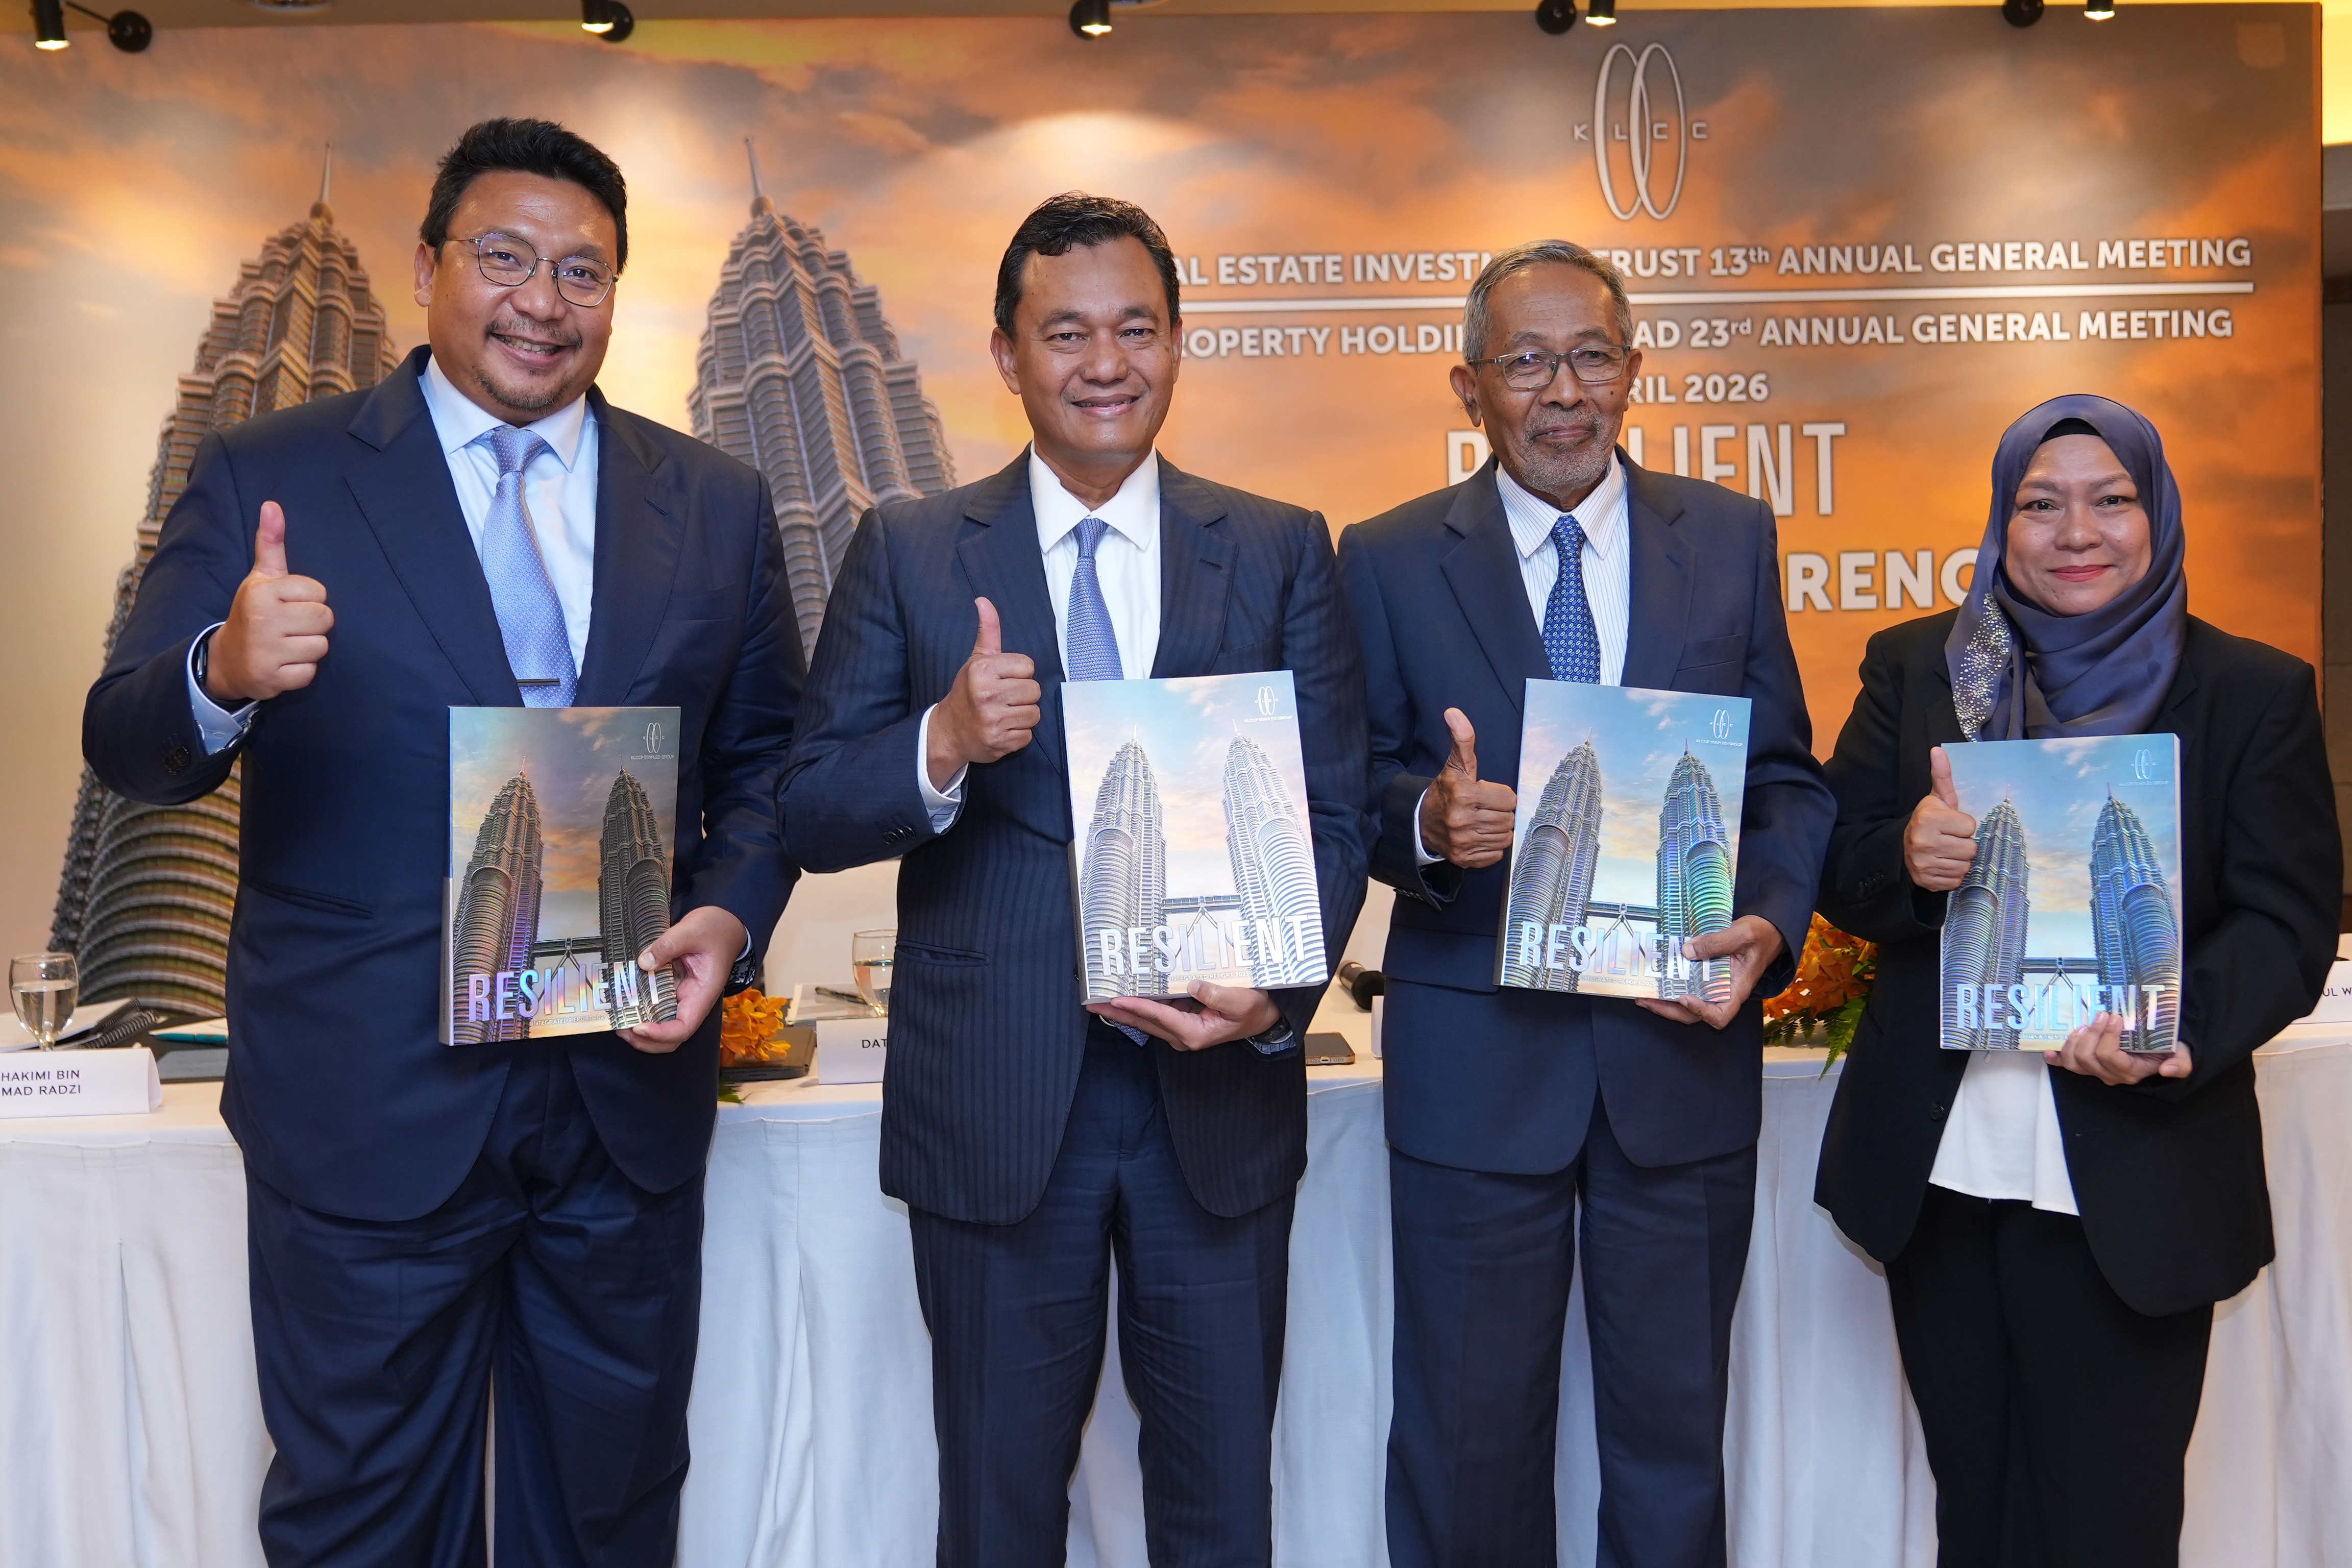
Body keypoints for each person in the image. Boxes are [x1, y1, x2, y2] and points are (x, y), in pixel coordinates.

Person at [81, 118, 801, 1566]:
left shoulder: (712, 502)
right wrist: (222, 672)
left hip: (619, 1097)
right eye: (505, 257)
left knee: (608, 1519)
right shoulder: (275, 472)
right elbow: (124, 738)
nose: (543, 300)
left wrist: (728, 914)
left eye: (583, 271)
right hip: (369, 1103)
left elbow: (769, 759)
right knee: (362, 1524)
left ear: (616, 293)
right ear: (427, 268)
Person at [778, 192, 1369, 1566]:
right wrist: (940, 742)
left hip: (1213, 1102)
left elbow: (1334, 815)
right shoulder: (910, 548)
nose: (1107, 364)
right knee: (998, 1508)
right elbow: (807, 804)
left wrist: (1276, 994)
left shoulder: (1279, 545)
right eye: (1067, 334)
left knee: (1223, 1508)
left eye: (1137, 330)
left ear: (1177, 343)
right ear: (1007, 354)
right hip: (997, 1100)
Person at [1336, 241, 1834, 1568]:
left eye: (1592, 356)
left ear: (1633, 370)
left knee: (1673, 1454)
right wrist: (1428, 823)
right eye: (1526, 362)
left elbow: (1787, 780)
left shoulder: (1727, 538)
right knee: (1466, 1449)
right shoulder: (1385, 557)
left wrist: (1769, 923)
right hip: (1475, 1069)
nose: (1564, 392)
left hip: (1678, 1064)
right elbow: (1349, 790)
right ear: (1470, 387)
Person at [1811, 394, 2337, 1567]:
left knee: (2112, 1524)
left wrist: (2176, 1022)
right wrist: (1906, 857)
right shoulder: (1921, 666)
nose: (2077, 532)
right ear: (2002, 522)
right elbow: (1839, 862)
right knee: (1976, 1511)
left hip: (2137, 1167)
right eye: (2041, 505)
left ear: (2159, 516)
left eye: (2113, 501)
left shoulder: (2249, 690)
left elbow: (2288, 921)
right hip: (1943, 1170)